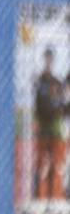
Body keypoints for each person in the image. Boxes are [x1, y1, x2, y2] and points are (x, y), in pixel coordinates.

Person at [33, 48, 67, 200]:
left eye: (50, 58)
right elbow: (38, 105)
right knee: (42, 164)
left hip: (55, 125)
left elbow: (62, 105)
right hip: (43, 125)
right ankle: (41, 195)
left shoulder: (57, 82)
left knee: (57, 163)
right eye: (46, 58)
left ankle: (56, 195)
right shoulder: (40, 81)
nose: (48, 61)